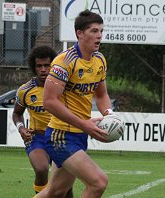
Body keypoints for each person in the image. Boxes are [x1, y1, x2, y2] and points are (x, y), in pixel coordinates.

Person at [35, 10, 113, 198]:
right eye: (94, 31)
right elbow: (49, 102)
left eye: (101, 31)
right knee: (99, 182)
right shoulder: (64, 62)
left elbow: (101, 94)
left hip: (79, 136)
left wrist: (109, 114)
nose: (99, 36)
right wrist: (84, 124)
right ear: (80, 33)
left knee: (55, 192)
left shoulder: (99, 60)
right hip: (60, 135)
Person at [12, 46, 73, 197]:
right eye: (39, 66)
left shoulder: (64, 88)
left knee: (66, 187)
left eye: (47, 65)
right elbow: (16, 113)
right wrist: (21, 128)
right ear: (34, 67)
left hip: (60, 137)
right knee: (41, 169)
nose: (43, 69)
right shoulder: (25, 90)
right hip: (37, 138)